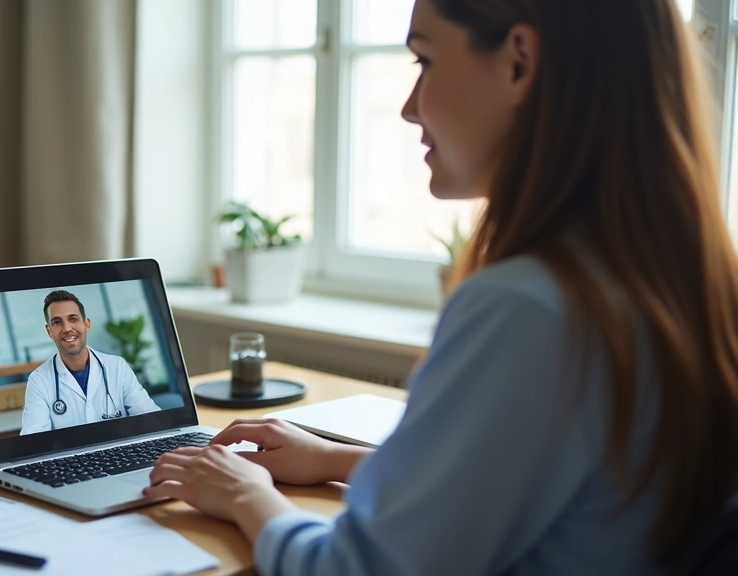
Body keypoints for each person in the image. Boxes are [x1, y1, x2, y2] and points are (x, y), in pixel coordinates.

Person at [143, 0, 738, 574]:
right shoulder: (674, 278)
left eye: (423, 61)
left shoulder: (528, 307)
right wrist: (342, 459)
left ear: (519, 63)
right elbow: (551, 483)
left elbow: (359, 569)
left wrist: (246, 494)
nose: (408, 107)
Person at [20, 290, 160, 434]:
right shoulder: (39, 381)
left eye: (73, 319)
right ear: (49, 331)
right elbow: (34, 439)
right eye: (57, 322)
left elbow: (151, 418)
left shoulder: (117, 367)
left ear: (86, 324)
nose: (67, 328)